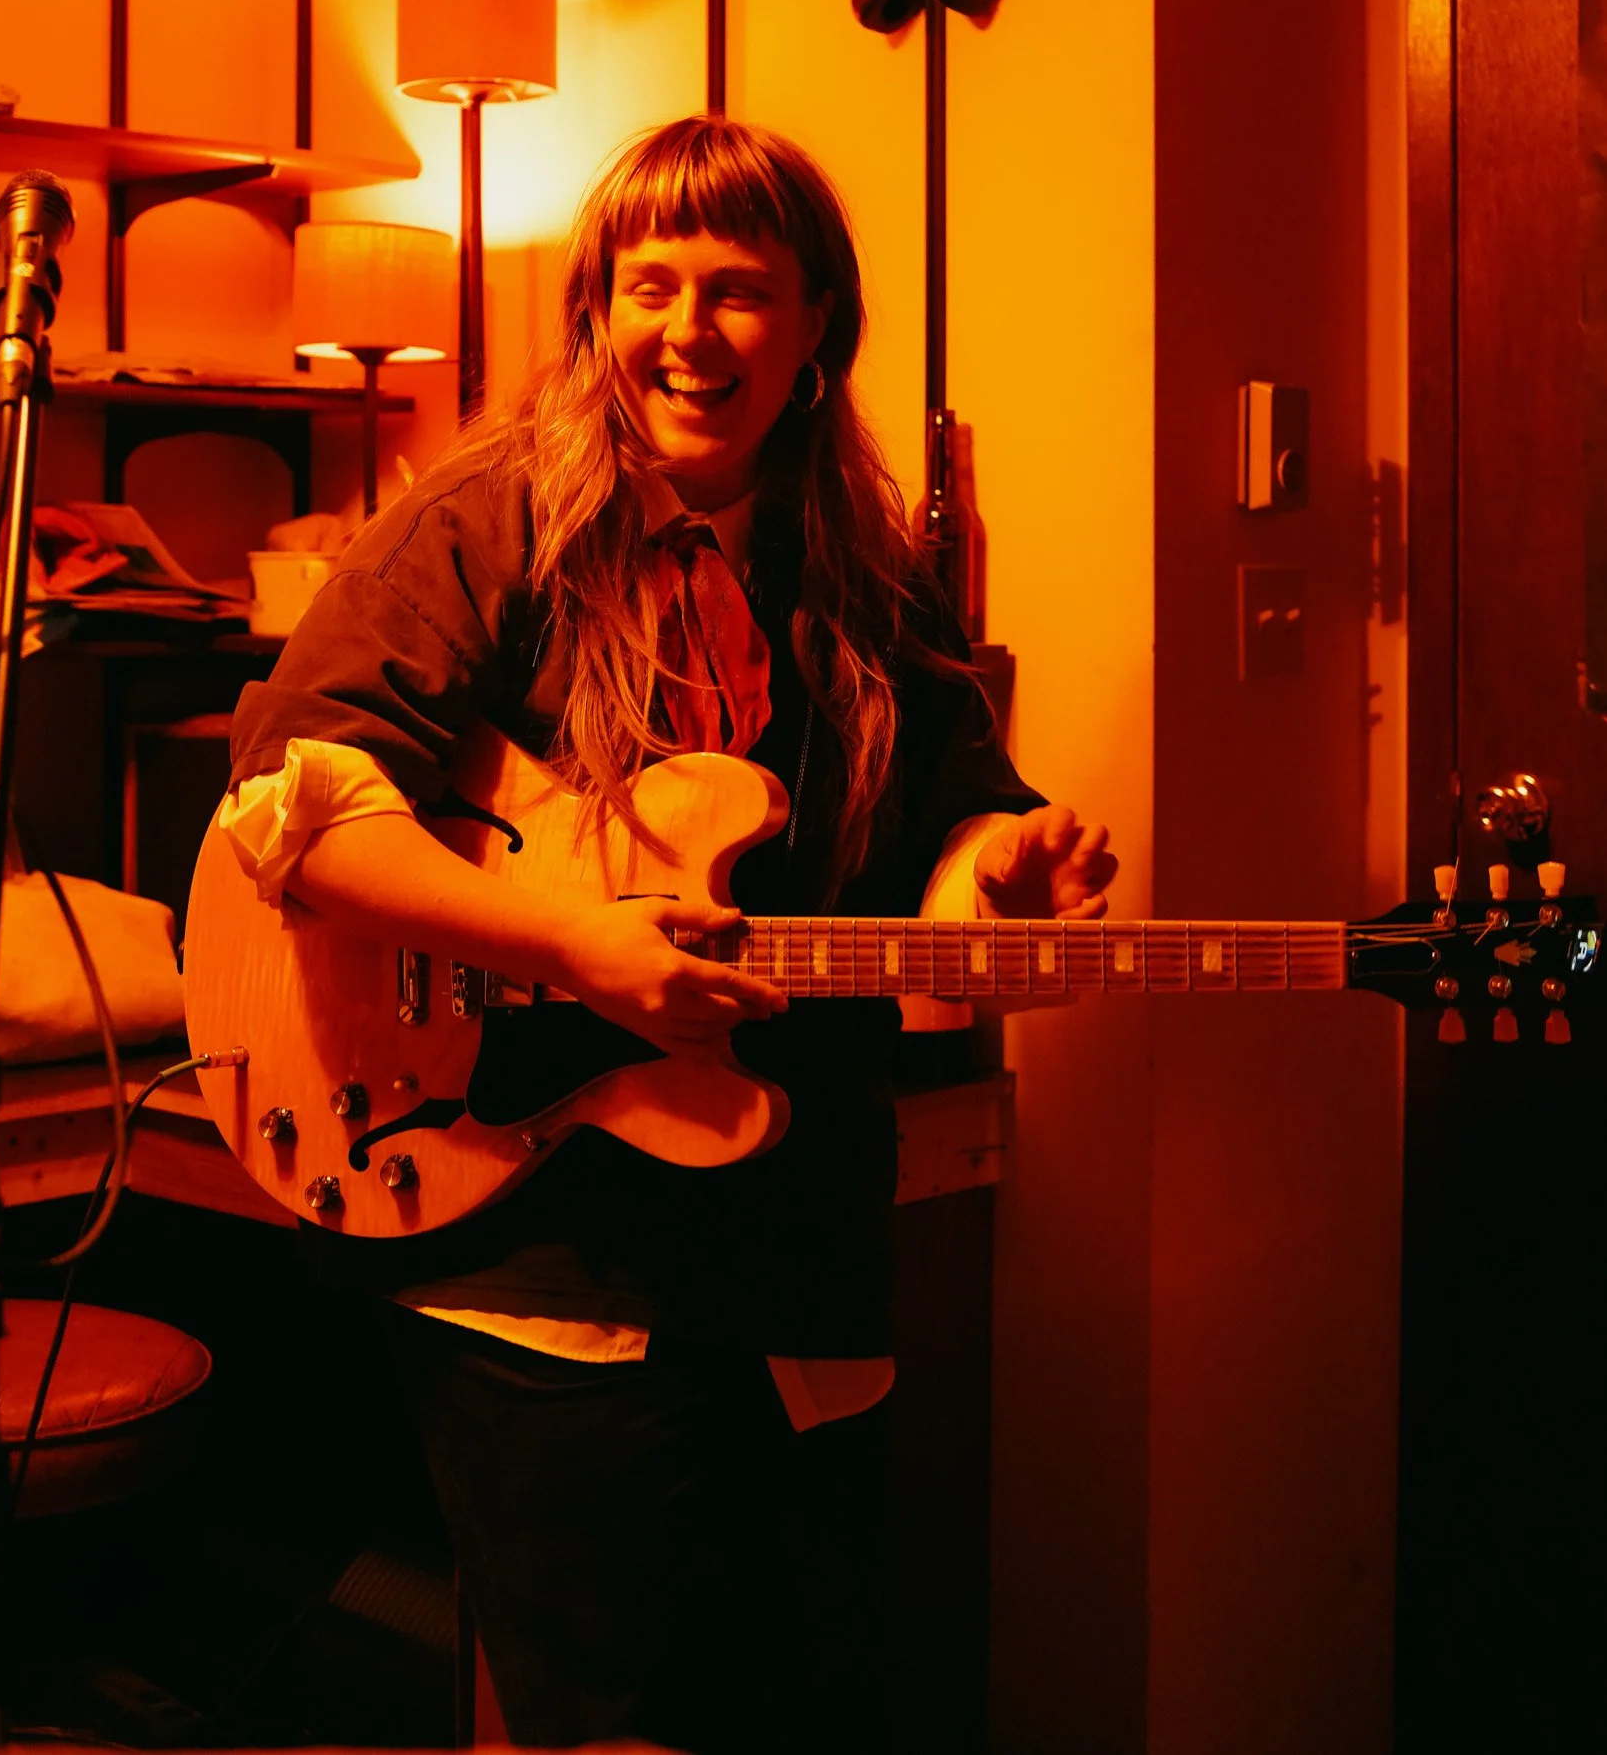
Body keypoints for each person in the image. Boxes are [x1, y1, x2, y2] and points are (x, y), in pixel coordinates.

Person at [221, 115, 1115, 1752]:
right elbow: (293, 815)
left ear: (816, 322)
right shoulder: (480, 523)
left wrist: (1005, 862)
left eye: (738, 290)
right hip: (539, 1219)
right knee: (610, 1724)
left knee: (803, 1694)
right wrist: (577, 951)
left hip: (803, 1229)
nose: (686, 334)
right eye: (650, 286)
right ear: (594, 311)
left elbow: (951, 817)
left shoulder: (870, 566)